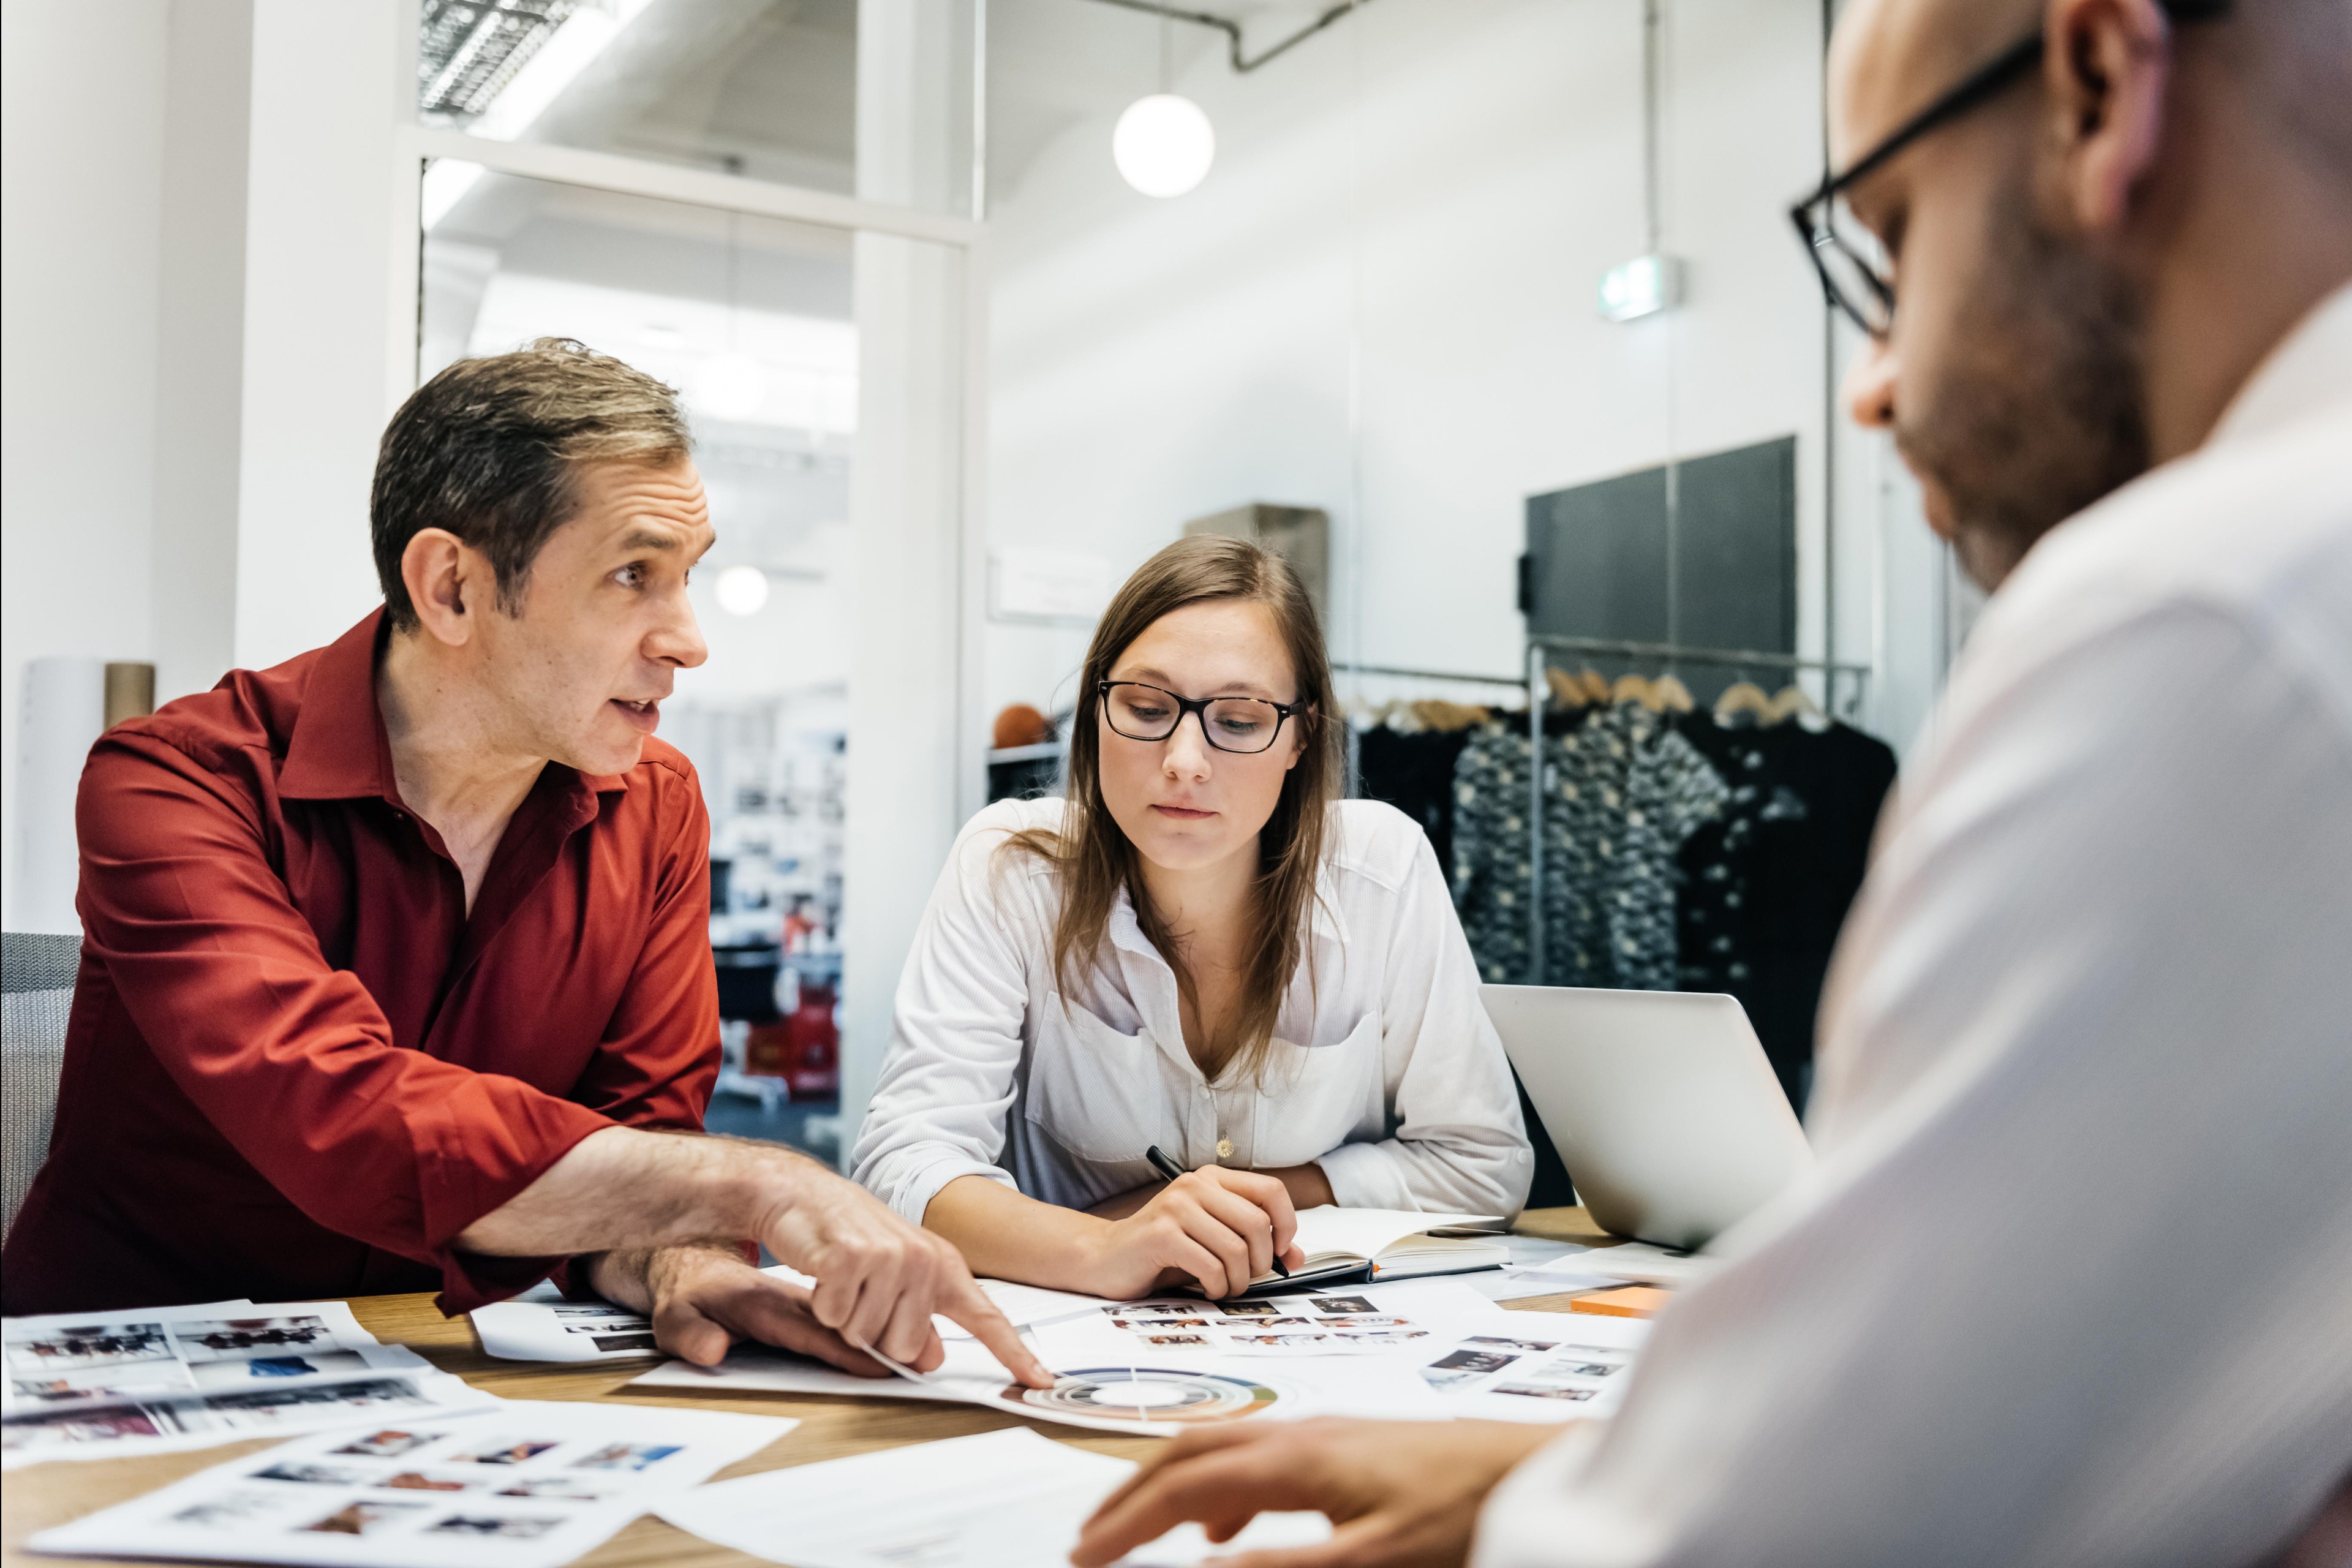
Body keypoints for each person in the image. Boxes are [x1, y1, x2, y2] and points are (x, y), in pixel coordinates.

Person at [1071, 0, 2352, 1561]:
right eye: (1144, 709)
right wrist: (1564, 1477)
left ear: (2094, 81)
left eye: (1886, 236)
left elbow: (1803, 1526)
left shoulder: (2198, 614)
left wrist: (1577, 1511)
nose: (1870, 383)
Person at [1, 338, 1046, 1391]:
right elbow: (341, 1116)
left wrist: (683, 1265)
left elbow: (639, 1144)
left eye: (688, 579)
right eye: (633, 575)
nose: (688, 639)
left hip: (460, 1380)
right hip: (123, 1372)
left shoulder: (657, 805)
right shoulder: (179, 778)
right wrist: (754, 1185)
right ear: (451, 587)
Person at [851, 536, 1532, 1299]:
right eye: (1146, 708)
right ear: (1094, 710)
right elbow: (902, 1166)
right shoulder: (1010, 869)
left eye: (1239, 722)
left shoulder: (1383, 872)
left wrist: (1225, 1205)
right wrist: (1102, 1247)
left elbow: (1485, 1166)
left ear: (1300, 738)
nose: (1184, 759)